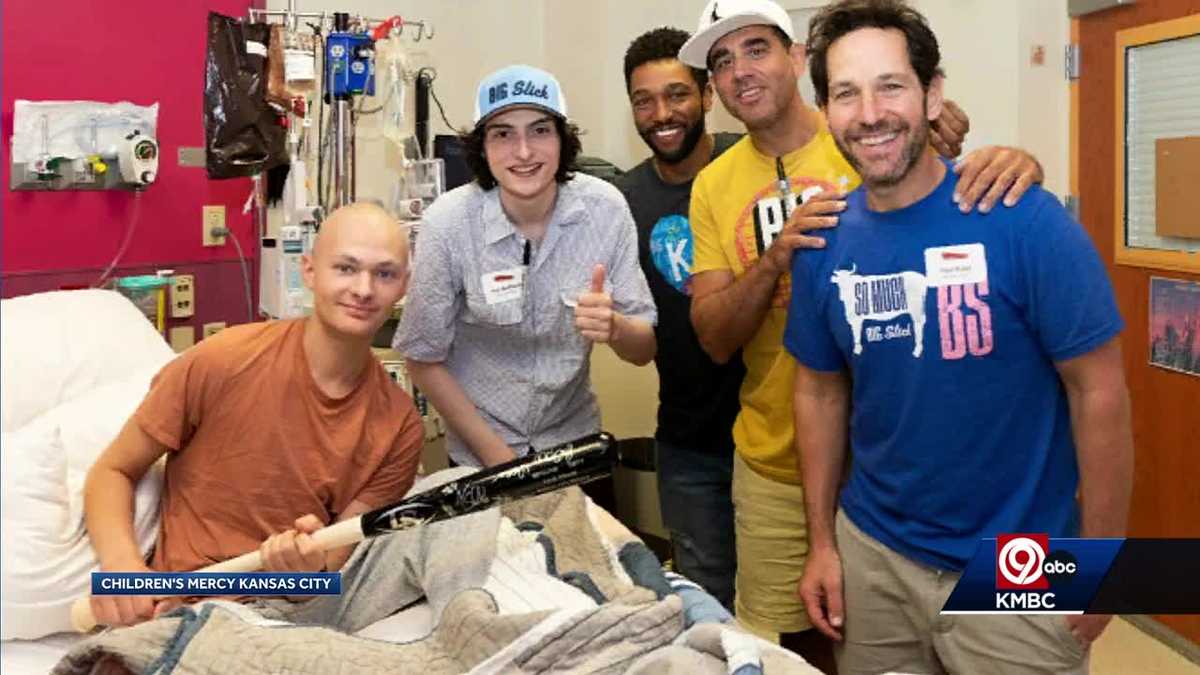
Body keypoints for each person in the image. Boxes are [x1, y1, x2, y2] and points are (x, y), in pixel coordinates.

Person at [677, 0, 1046, 666]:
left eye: (757, 49)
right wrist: (776, 258)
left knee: (934, 639)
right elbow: (714, 336)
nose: (740, 72)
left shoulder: (869, 133)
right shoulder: (713, 186)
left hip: (897, 467)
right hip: (775, 464)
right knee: (790, 650)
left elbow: (969, 199)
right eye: (721, 62)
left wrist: (1016, 164)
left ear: (797, 60)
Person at [788, 1, 1133, 672]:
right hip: (875, 557)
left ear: (932, 94)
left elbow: (1099, 391)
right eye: (846, 93)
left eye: (891, 85)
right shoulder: (822, 241)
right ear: (825, 111)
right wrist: (822, 543)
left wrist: (1103, 559)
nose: (869, 114)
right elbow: (819, 392)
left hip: (1021, 562)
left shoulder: (1023, 219)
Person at [84, 202, 425, 628]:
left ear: (404, 286)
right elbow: (112, 471)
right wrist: (122, 568)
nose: (364, 289)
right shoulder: (223, 361)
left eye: (385, 274)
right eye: (345, 268)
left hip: (293, 611)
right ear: (309, 271)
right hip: (189, 608)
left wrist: (304, 574)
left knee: (454, 497)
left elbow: (328, 575)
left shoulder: (398, 426)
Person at [394, 65, 657, 468]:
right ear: (482, 147)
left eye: (540, 130)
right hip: (480, 458)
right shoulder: (448, 224)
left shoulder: (605, 209)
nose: (523, 152)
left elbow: (644, 349)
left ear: (563, 140)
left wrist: (616, 328)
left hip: (575, 447)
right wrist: (504, 465)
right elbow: (422, 358)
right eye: (503, 134)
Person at [613, 27, 744, 611]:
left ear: (708, 94)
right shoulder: (624, 202)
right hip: (688, 444)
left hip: (779, 441)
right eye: (644, 100)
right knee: (707, 609)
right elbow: (637, 340)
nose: (661, 114)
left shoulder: (750, 163)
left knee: (802, 609)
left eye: (676, 95)